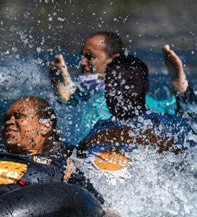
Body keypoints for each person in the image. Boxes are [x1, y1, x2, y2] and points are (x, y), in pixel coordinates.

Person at [49, 31, 195, 143]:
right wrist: (61, 86)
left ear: (113, 59)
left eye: (90, 57)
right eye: (82, 56)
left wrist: (180, 86)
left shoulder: (132, 98)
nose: (82, 62)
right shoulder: (89, 92)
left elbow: (183, 117)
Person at [76, 55, 194, 183]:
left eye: (130, 84)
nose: (121, 90)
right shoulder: (97, 128)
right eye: (114, 83)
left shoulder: (169, 126)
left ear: (146, 86)